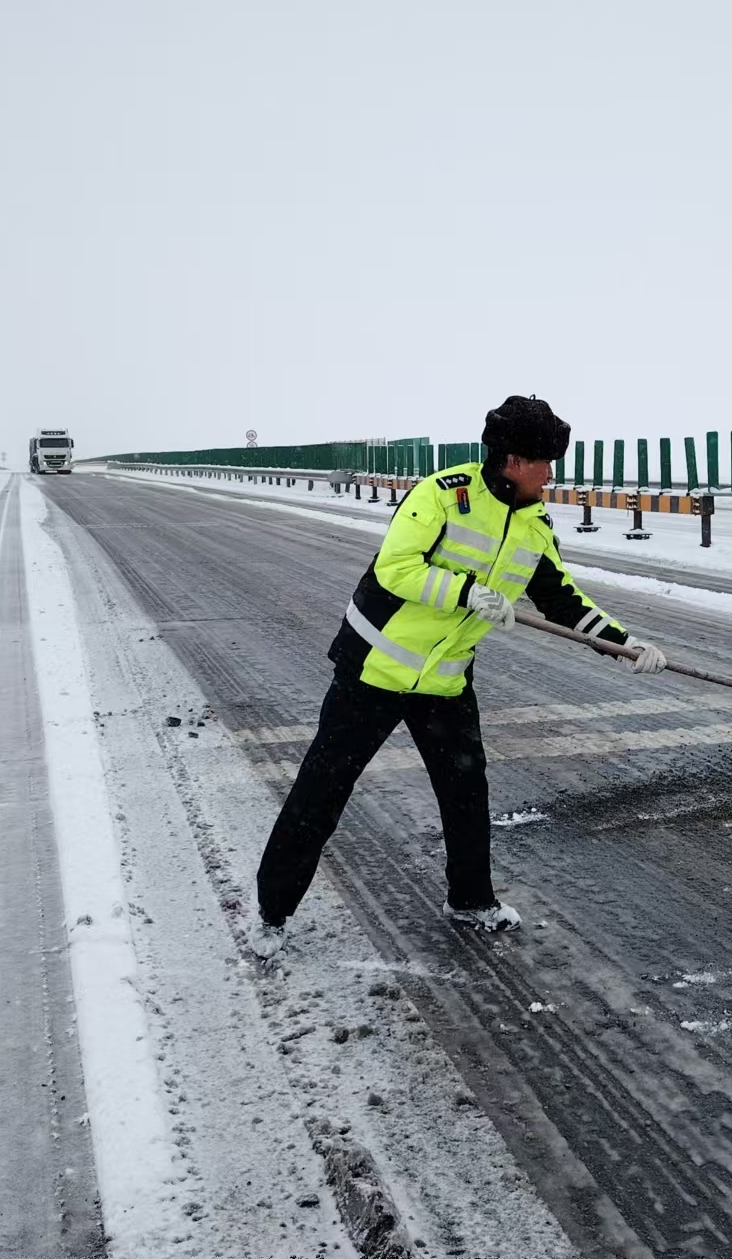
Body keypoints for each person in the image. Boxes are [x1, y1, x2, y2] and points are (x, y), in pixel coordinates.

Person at [249, 395, 669, 956]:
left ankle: (470, 901)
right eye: (546, 462)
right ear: (515, 460)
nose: (551, 474)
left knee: (466, 793)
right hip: (372, 671)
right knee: (322, 792)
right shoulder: (444, 495)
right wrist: (468, 593)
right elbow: (396, 567)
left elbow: (561, 599)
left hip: (444, 682)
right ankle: (273, 913)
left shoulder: (535, 523)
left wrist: (623, 644)